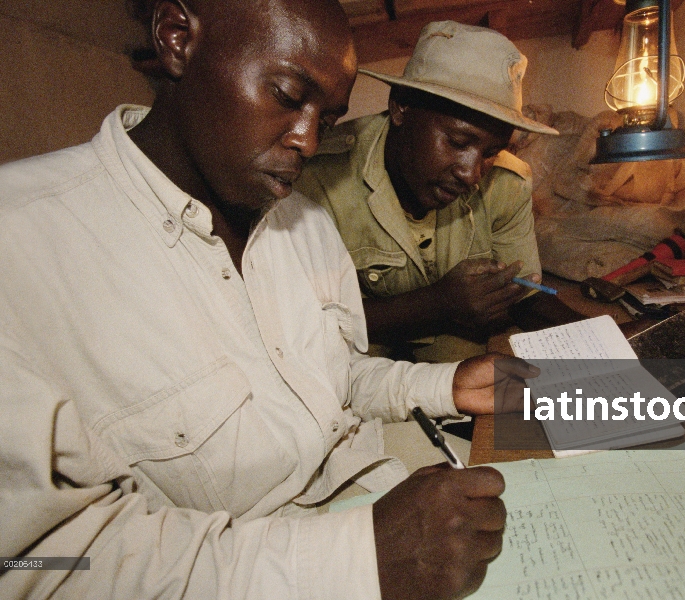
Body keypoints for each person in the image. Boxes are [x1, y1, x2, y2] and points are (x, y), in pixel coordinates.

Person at [0, 1, 535, 598]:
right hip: (287, 569)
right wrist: (356, 557)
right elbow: (34, 566)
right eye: (285, 94)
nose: (307, 140)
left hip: (380, 486)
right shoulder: (18, 247)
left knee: (609, 410)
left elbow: (336, 373)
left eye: (328, 119)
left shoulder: (302, 222)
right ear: (178, 38)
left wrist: (445, 386)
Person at [297, 21, 580, 363]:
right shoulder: (320, 180)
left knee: (466, 362)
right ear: (401, 106)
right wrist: (438, 304)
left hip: (452, 334)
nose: (471, 174)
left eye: (490, 153)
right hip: (359, 342)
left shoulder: (507, 182)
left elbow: (524, 295)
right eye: (458, 142)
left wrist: (601, 339)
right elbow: (305, 322)